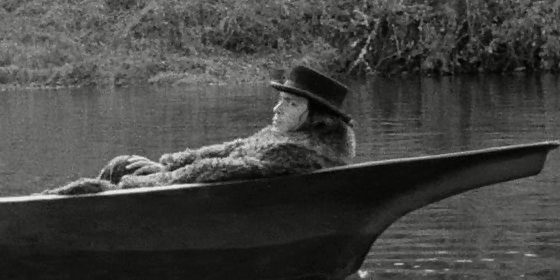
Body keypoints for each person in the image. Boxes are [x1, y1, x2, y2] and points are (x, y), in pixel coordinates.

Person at [46, 65, 355, 195]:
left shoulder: (297, 155)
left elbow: (220, 170)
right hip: (196, 197)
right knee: (124, 165)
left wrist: (152, 180)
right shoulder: (283, 139)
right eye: (280, 100)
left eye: (290, 103)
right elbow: (227, 150)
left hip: (202, 208)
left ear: (318, 119)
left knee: (110, 182)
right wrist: (167, 164)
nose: (276, 109)